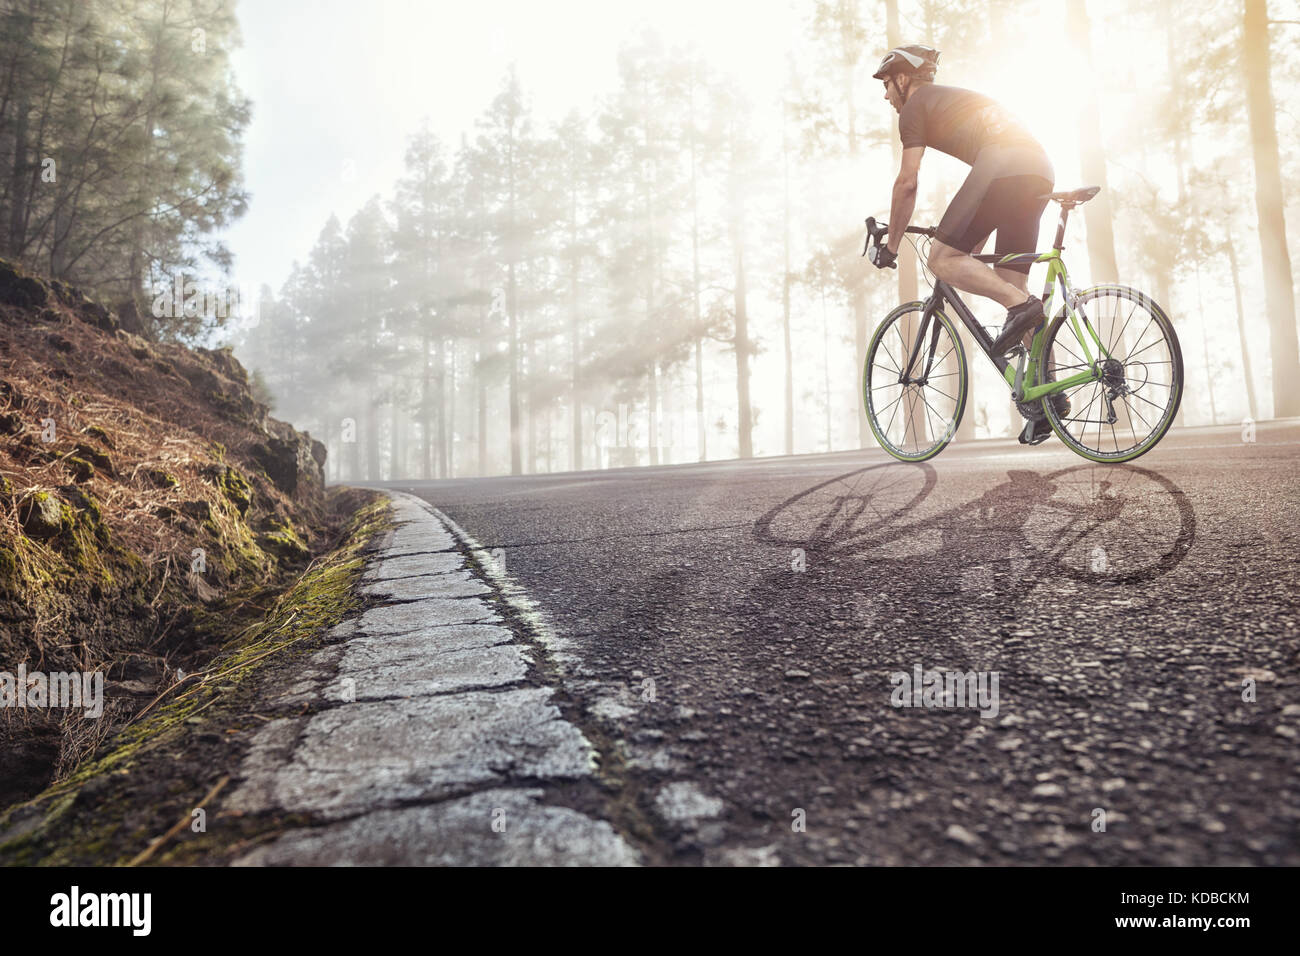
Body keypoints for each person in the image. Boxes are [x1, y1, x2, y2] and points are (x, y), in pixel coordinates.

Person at [869, 44, 1068, 429]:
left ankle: (1021, 308)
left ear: (903, 79)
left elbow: (907, 182)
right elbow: (975, 226)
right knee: (1013, 284)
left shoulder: (914, 107)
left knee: (941, 260)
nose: (885, 95)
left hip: (1003, 164)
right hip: (1038, 168)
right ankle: (1049, 397)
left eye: (887, 84)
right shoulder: (951, 100)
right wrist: (963, 247)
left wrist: (891, 246)